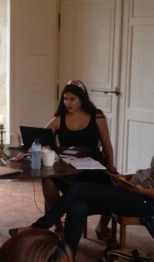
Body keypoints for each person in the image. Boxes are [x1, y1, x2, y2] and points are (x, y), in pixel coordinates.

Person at [11, 97, 154, 256]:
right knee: (76, 208)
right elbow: (153, 173)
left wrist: (132, 188)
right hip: (134, 189)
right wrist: (127, 179)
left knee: (77, 189)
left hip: (146, 202)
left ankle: (38, 228)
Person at [44, 79, 116, 237]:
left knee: (115, 182)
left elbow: (107, 144)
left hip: (93, 165)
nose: (67, 103)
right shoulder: (59, 118)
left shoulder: (97, 116)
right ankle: (58, 225)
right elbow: (42, 137)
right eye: (65, 99)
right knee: (47, 180)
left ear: (82, 99)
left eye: (72, 99)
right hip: (67, 167)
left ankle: (102, 227)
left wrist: (110, 163)